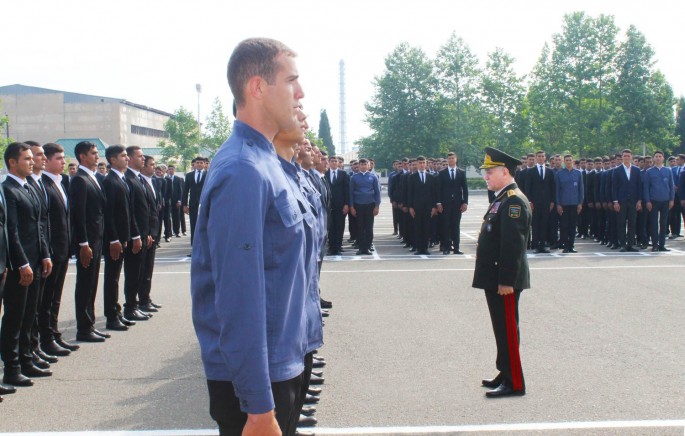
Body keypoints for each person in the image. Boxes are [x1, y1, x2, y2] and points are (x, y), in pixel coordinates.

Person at [191, 37, 307, 436]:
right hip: (260, 384)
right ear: (258, 87)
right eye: (291, 80)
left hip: (280, 363)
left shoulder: (266, 162)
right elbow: (239, 297)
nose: (300, 92)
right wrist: (258, 407)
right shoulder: (244, 169)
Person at [472, 147, 531, 398]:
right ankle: (505, 371)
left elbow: (513, 245)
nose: (486, 176)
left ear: (505, 172)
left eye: (490, 172)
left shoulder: (514, 200)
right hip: (495, 276)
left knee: (507, 329)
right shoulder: (502, 197)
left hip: (503, 279)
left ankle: (514, 382)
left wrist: (506, 280)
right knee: (502, 328)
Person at [1, 142, 52, 386]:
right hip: (21, 266)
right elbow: (12, 231)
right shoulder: (8, 190)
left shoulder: (29, 187)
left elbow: (38, 226)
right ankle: (12, 368)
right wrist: (22, 262)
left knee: (30, 313)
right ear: (12, 162)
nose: (32, 162)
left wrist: (44, 255)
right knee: (15, 317)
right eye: (27, 159)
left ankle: (26, 358)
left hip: (35, 260)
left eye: (33, 158)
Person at [39, 143, 78, 355]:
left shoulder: (60, 182)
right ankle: (45, 338)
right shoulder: (44, 184)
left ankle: (53, 334)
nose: (64, 162)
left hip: (63, 249)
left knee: (55, 296)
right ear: (47, 160)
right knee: (46, 299)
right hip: (52, 250)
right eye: (59, 159)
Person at [70, 141, 107, 343]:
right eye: (93, 153)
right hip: (88, 242)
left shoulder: (92, 177)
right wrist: (83, 244)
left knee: (92, 283)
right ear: (82, 157)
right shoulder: (79, 180)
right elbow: (79, 215)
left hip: (97, 239)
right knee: (85, 284)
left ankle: (90, 324)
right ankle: (83, 328)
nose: (97, 156)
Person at [101, 145, 134, 332]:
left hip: (122, 238)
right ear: (113, 160)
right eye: (123, 156)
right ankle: (111, 317)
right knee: (112, 278)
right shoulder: (110, 181)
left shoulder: (120, 179)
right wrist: (114, 239)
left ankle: (116, 312)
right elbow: (109, 214)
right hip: (114, 240)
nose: (127, 159)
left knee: (115, 277)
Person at [436, 152, 468, 255]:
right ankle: (446, 247)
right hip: (445, 204)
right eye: (449, 158)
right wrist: (439, 203)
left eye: (452, 158)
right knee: (446, 225)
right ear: (447, 160)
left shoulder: (461, 172)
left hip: (457, 204)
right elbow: (439, 189)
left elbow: (465, 189)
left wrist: (465, 202)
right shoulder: (442, 173)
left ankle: (456, 248)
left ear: (456, 159)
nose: (451, 160)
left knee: (456, 225)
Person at [612, 149, 642, 252]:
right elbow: (614, 187)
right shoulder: (617, 170)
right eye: (625, 156)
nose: (626, 158)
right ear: (622, 157)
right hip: (621, 201)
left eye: (628, 156)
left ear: (631, 157)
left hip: (633, 201)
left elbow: (639, 186)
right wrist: (615, 201)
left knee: (632, 223)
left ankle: (630, 244)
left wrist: (639, 200)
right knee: (621, 223)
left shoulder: (637, 170)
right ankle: (623, 245)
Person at [524, 151, 555, 253]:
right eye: (539, 156)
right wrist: (529, 201)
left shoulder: (550, 171)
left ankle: (543, 244)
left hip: (546, 202)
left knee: (544, 223)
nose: (541, 158)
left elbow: (552, 187)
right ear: (536, 158)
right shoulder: (531, 171)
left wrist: (552, 201)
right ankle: (536, 245)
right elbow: (528, 188)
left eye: (542, 156)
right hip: (534, 202)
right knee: (535, 223)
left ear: (545, 158)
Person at [643, 151, 674, 252]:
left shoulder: (668, 171)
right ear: (653, 159)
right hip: (653, 200)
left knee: (664, 224)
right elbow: (646, 188)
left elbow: (671, 186)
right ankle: (655, 244)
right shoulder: (649, 172)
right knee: (653, 223)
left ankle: (662, 245)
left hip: (665, 200)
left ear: (663, 158)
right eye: (656, 156)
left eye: (660, 156)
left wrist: (671, 199)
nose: (658, 158)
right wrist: (647, 201)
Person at [406, 156, 437, 255]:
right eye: (420, 163)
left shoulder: (431, 177)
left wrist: (433, 206)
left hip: (428, 207)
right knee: (418, 228)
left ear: (426, 164)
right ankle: (419, 248)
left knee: (427, 228)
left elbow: (433, 193)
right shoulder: (412, 177)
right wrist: (410, 206)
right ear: (417, 164)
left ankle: (425, 248)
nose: (422, 164)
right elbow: (409, 192)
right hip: (416, 207)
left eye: (424, 162)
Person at [349, 158, 380, 255]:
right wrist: (352, 206)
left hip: (370, 205)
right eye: (361, 164)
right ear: (359, 166)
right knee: (360, 227)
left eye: (365, 164)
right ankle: (361, 248)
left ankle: (368, 246)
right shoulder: (354, 178)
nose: (363, 166)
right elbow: (350, 193)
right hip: (358, 205)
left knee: (369, 227)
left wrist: (377, 206)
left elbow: (377, 192)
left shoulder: (373, 177)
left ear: (368, 165)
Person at [555, 154, 584, 253]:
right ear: (564, 161)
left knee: (572, 225)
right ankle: (566, 246)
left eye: (570, 160)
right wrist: (558, 204)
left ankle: (571, 245)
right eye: (566, 160)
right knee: (564, 226)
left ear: (573, 161)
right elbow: (557, 190)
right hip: (564, 204)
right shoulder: (559, 174)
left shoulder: (578, 173)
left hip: (575, 203)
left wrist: (580, 203)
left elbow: (581, 189)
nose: (568, 162)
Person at [183, 157, 206, 249]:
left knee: (205, 225)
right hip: (193, 204)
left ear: (204, 164)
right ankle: (194, 248)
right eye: (197, 163)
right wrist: (184, 205)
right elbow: (185, 190)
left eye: (201, 163)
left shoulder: (208, 175)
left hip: (204, 204)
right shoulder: (189, 175)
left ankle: (204, 248)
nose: (199, 164)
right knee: (193, 225)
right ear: (194, 164)